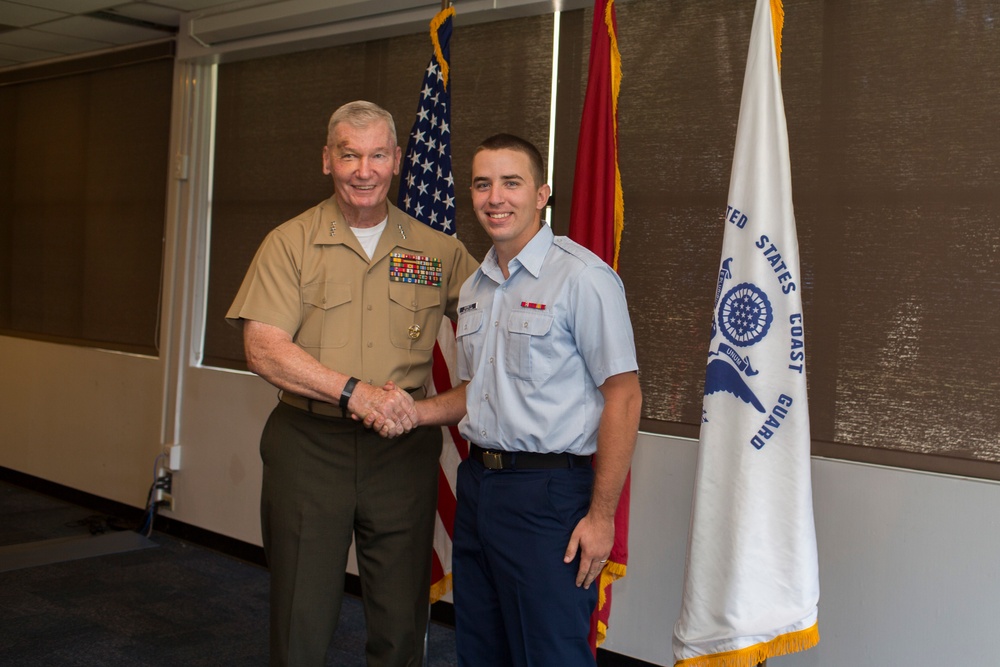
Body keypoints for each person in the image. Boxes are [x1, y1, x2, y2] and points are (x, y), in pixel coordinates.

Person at [226, 100, 477, 667]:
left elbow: (503, 329)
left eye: (377, 155)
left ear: (397, 160)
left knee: (401, 619)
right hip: (309, 446)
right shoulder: (288, 243)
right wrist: (354, 393)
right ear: (327, 160)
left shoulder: (439, 251)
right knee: (301, 618)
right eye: (349, 155)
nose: (363, 170)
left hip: (403, 452)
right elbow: (263, 348)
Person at [412, 133, 642, 666]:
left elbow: (624, 397)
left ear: (541, 195)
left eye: (511, 183)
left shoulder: (582, 278)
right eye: (483, 184)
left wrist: (601, 516)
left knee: (549, 653)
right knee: (481, 647)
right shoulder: (474, 288)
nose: (496, 198)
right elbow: (480, 393)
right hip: (479, 488)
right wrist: (416, 413)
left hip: (550, 496)